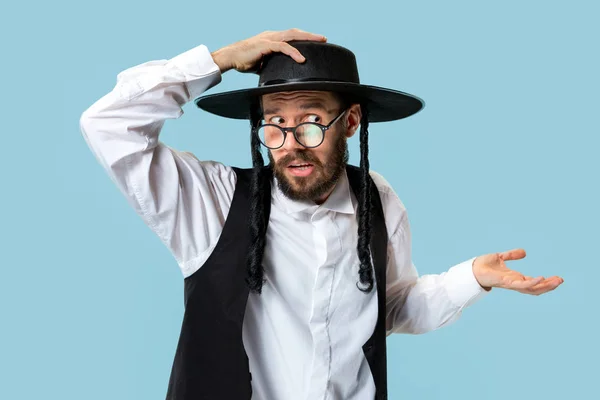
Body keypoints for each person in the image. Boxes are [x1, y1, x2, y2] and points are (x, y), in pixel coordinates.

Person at [80, 29, 563, 400]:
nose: (291, 146)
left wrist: (471, 278)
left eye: (311, 122)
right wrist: (219, 61)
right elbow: (108, 125)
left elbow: (389, 308)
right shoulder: (210, 201)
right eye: (275, 125)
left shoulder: (378, 200)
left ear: (351, 122)